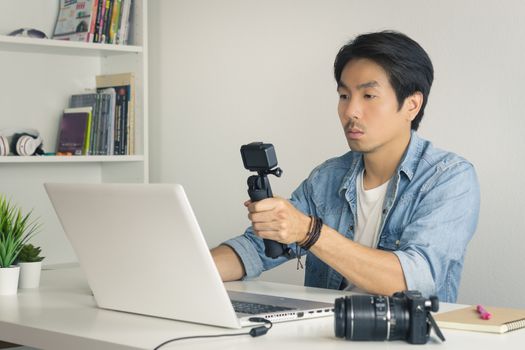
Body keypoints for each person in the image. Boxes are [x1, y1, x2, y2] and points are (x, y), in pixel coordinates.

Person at [211, 30, 480, 303]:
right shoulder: (327, 178)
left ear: (411, 104)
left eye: (368, 96)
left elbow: (413, 280)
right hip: (327, 332)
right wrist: (179, 271)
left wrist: (309, 232)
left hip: (406, 340)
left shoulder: (449, 179)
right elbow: (255, 249)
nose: (351, 111)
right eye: (343, 95)